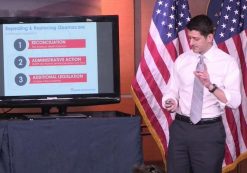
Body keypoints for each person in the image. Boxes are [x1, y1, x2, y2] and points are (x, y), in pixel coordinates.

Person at [162, 14, 241, 173]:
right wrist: (170, 100)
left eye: (196, 39)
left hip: (208, 132)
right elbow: (172, 89)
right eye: (189, 38)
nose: (190, 43)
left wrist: (210, 86)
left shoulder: (227, 63)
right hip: (180, 129)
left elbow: (235, 101)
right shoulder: (182, 60)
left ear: (210, 37)